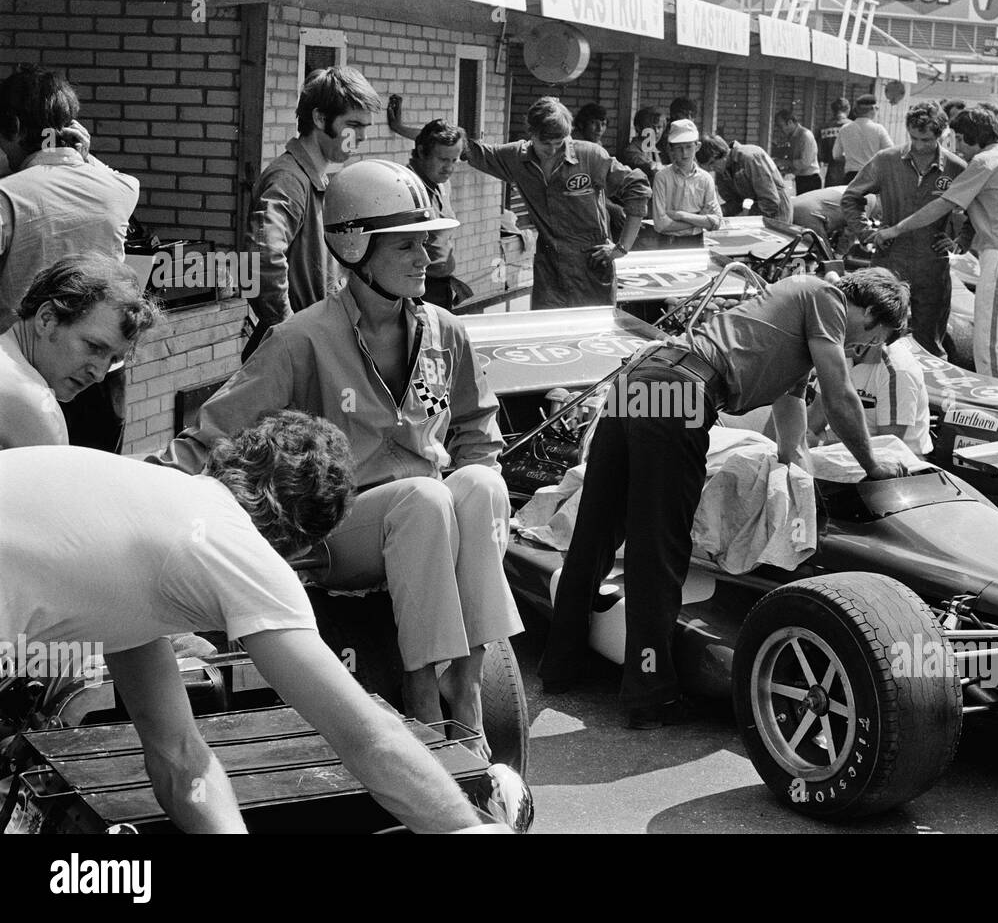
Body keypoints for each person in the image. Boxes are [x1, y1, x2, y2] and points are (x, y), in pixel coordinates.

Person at [152, 159, 522, 760]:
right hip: (342, 537)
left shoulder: (446, 331)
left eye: (427, 242)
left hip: (428, 531)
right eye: (406, 246)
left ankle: (469, 684)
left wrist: (480, 486)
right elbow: (213, 434)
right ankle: (423, 694)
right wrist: (140, 490)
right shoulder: (301, 338)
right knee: (425, 498)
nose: (426, 258)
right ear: (355, 247)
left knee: (479, 484)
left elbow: (477, 430)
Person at [1, 411, 491, 833]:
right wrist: (470, 827)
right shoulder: (231, 544)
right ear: (300, 548)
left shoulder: (150, 520)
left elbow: (179, 757)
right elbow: (367, 739)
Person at [538, 268, 911, 726]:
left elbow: (791, 426)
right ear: (870, 313)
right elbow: (841, 396)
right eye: (873, 341)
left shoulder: (796, 315)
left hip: (641, 379)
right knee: (659, 550)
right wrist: (873, 467)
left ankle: (559, 667)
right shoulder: (826, 297)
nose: (863, 351)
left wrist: (797, 473)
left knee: (596, 531)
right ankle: (649, 694)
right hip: (678, 391)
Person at [876, 108, 998, 382]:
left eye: (960, 139)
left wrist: (895, 229)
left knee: (990, 345)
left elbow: (943, 204)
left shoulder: (984, 162)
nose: (958, 148)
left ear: (970, 137)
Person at [245, 66, 381, 357]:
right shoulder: (289, 180)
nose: (361, 137)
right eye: (353, 125)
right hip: (294, 353)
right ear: (320, 118)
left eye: (365, 128)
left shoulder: (315, 179)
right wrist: (288, 331)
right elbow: (259, 258)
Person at [463, 97, 650, 309]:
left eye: (559, 143)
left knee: (593, 331)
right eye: (545, 144)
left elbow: (637, 185)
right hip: (549, 269)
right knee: (548, 333)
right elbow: (472, 151)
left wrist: (622, 247)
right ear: (531, 134)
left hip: (592, 264)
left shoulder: (590, 155)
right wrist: (433, 137)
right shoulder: (516, 158)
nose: (552, 150)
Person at [0, 64, 139, 333]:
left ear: (14, 126)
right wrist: (83, 155)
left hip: (22, 358)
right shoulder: (123, 189)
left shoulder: (7, 197)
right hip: (100, 357)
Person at [841, 100, 968, 359]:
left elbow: (976, 212)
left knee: (930, 347)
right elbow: (850, 198)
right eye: (913, 138)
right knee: (875, 340)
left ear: (941, 135)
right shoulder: (886, 161)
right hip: (889, 261)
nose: (919, 146)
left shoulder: (956, 168)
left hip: (932, 266)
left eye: (926, 140)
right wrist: (866, 233)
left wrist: (959, 240)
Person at [0, 254, 157, 449]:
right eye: (94, 346)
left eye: (113, 359)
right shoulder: (32, 403)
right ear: (47, 319)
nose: (99, 375)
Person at [807, 324, 932, 458]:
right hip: (846, 443)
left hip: (900, 459)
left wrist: (821, 444)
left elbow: (888, 446)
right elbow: (817, 413)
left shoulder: (899, 370)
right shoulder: (838, 351)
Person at [401, 116, 469, 310]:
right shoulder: (406, 187)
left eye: (454, 160)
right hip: (417, 288)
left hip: (442, 285)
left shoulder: (441, 182)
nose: (449, 168)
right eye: (442, 159)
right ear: (422, 152)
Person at [650, 119, 722, 248]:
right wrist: (699, 219)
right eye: (679, 148)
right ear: (670, 149)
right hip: (668, 243)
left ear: (698, 146)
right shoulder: (662, 177)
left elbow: (716, 221)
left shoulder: (705, 179)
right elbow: (661, 224)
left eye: (689, 146)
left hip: (696, 242)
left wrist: (680, 215)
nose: (684, 153)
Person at [697, 134, 792, 224]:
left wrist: (742, 218)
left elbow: (770, 202)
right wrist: (717, 212)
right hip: (755, 215)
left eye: (712, 164)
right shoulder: (723, 169)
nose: (712, 170)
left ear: (719, 154)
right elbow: (735, 203)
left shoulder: (750, 158)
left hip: (777, 217)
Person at [835, 94, 894, 177]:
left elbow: (836, 155)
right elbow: (891, 152)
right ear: (872, 109)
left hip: (851, 176)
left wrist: (852, 158)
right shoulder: (878, 129)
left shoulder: (844, 129)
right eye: (877, 108)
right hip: (871, 174)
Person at [776, 109, 821, 195]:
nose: (781, 130)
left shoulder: (805, 135)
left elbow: (805, 163)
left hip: (810, 179)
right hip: (801, 178)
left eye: (781, 126)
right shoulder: (793, 137)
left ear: (789, 122)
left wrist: (784, 163)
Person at [621, 106, 665, 181]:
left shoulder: (652, 149)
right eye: (651, 127)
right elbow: (653, 169)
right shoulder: (631, 152)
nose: (656, 131)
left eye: (659, 127)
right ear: (638, 128)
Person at [818, 97, 852, 186]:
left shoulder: (823, 127)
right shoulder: (854, 126)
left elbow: (820, 154)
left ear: (832, 111)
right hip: (851, 172)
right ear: (848, 109)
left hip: (832, 173)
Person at [658, 97, 697, 166]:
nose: (689, 118)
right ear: (673, 114)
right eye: (685, 114)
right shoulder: (667, 133)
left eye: (692, 115)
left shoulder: (688, 132)